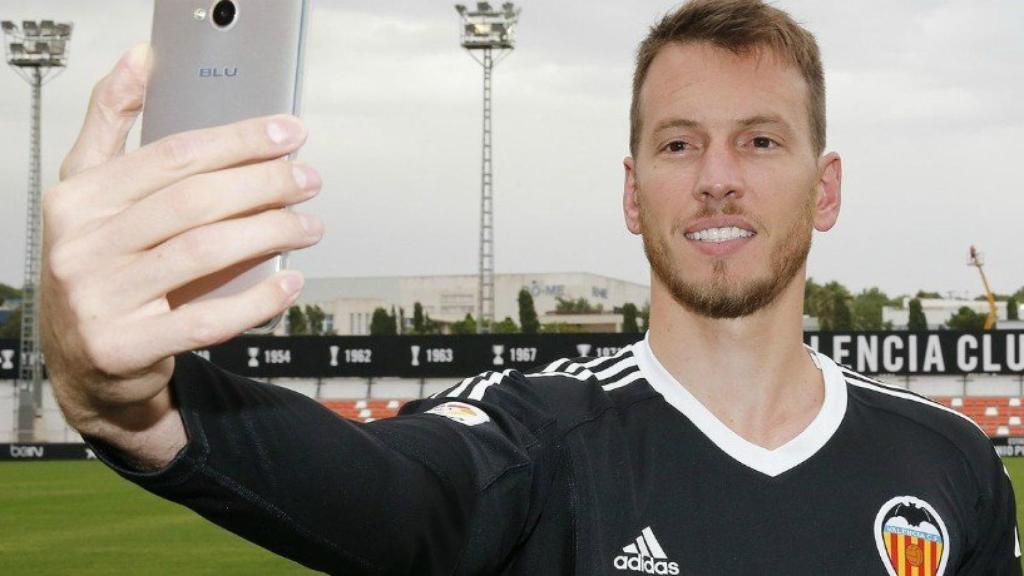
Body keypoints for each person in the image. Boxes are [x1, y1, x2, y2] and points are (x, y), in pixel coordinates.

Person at [41, 0, 1019, 574]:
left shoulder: (952, 464)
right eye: (679, 144)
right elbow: (391, 491)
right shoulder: (544, 438)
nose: (717, 175)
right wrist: (125, 399)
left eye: (759, 140)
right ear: (633, 196)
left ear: (826, 185)